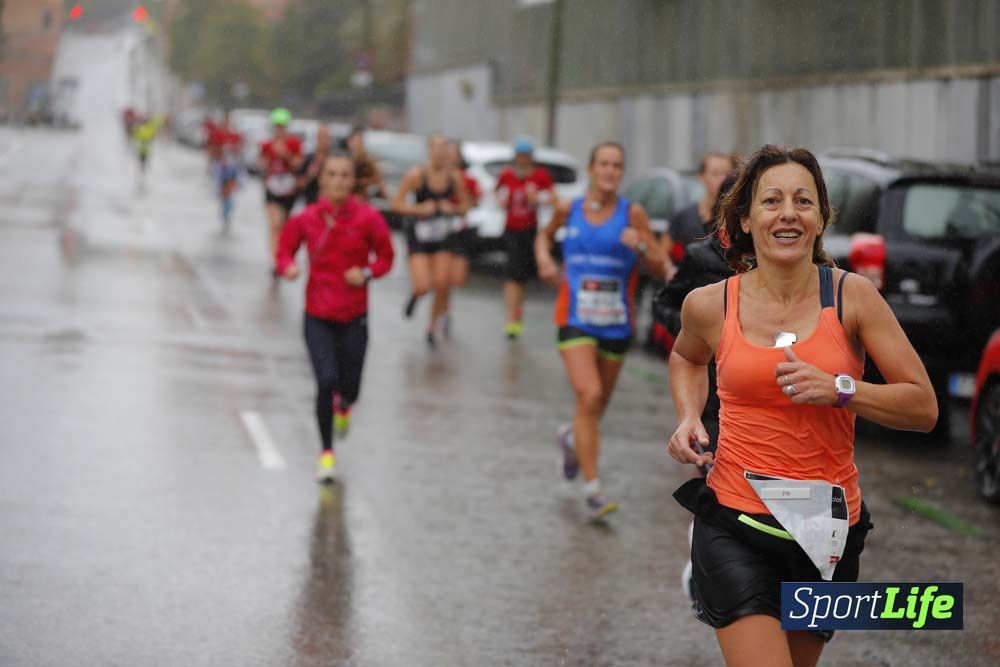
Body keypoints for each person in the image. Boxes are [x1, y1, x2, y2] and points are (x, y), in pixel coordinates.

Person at [667, 145, 938, 666]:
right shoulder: (709, 305)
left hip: (828, 536)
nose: (788, 212)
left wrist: (841, 388)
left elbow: (923, 406)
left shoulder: (853, 298)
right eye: (771, 201)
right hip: (734, 524)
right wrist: (687, 417)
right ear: (745, 219)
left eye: (802, 201)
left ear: (820, 219)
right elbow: (685, 359)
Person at [535, 141, 665, 519]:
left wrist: (640, 245)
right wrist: (545, 260)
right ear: (591, 169)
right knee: (589, 395)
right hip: (575, 317)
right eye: (604, 164)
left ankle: (571, 439)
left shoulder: (633, 213)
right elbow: (544, 236)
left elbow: (659, 265)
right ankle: (593, 488)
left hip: (616, 323)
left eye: (617, 165)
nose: (610, 170)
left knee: (595, 407)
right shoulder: (568, 209)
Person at [275, 153, 395, 482]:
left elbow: (386, 257)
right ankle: (327, 453)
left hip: (354, 315)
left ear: (354, 181)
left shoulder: (369, 219)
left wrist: (367, 272)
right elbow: (284, 249)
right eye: (332, 175)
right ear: (322, 180)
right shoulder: (306, 219)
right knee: (326, 380)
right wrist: (288, 267)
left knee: (350, 387)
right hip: (318, 314)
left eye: (345, 175)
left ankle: (346, 406)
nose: (339, 181)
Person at [390, 133, 472, 347]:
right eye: (435, 148)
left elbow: (466, 206)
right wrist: (419, 209)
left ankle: (431, 328)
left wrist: (452, 209)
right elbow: (395, 204)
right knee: (424, 285)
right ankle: (416, 295)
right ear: (428, 151)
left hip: (443, 236)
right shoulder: (416, 175)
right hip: (419, 236)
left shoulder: (454, 177)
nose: (439, 153)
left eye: (443, 149)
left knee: (443, 283)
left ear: (448, 153)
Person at [496, 137, 554, 339]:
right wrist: (502, 201)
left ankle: (518, 310)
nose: (523, 159)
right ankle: (511, 319)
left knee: (523, 276)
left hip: (531, 230)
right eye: (520, 155)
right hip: (511, 229)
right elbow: (497, 194)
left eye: (526, 155)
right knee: (512, 274)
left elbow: (553, 197)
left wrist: (537, 198)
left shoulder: (540, 176)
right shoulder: (507, 175)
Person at [435, 139, 482, 337]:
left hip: (460, 231)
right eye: (448, 151)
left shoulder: (467, 179)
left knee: (457, 278)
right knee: (442, 280)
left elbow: (474, 202)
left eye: (455, 152)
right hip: (440, 232)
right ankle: (442, 314)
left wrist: (458, 206)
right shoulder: (435, 177)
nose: (451, 155)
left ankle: (444, 307)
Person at [258, 107, 304, 259]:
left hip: (288, 189)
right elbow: (260, 162)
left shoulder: (293, 143)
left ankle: (282, 252)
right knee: (274, 224)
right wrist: (265, 162)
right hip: (272, 188)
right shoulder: (267, 144)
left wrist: (285, 155)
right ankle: (275, 258)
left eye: (282, 126)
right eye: (277, 126)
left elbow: (298, 164)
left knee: (283, 226)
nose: (279, 129)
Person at [342, 126, 386, 202]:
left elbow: (378, 180)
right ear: (349, 142)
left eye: (360, 142)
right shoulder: (343, 161)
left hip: (363, 199)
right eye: (356, 142)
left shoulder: (368, 161)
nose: (358, 145)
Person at [298, 124, 333, 206]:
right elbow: (299, 184)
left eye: (326, 137)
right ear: (317, 138)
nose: (324, 141)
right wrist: (309, 176)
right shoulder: (309, 158)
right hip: (311, 203)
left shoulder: (335, 159)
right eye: (321, 137)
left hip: (331, 204)